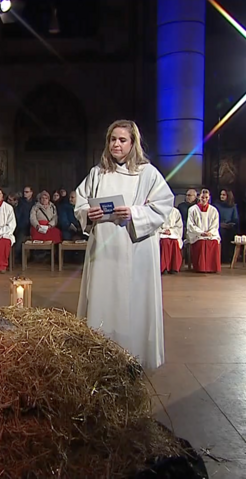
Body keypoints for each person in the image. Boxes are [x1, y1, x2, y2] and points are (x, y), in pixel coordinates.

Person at [75, 119, 174, 370]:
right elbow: (81, 201)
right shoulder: (98, 173)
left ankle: (134, 356)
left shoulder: (147, 173)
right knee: (102, 298)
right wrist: (88, 214)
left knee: (133, 302)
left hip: (135, 247)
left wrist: (133, 213)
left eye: (122, 140)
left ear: (133, 143)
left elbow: (163, 205)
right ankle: (100, 355)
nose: (116, 144)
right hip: (104, 250)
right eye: (112, 139)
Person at [187, 189, 221, 273]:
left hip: (210, 234)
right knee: (201, 242)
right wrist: (201, 232)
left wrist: (210, 232)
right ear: (199, 197)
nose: (204, 199)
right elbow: (191, 225)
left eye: (206, 197)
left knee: (213, 242)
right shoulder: (192, 209)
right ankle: (200, 267)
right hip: (197, 234)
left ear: (209, 198)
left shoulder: (213, 210)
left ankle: (212, 268)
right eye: (202, 197)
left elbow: (215, 224)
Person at [215, 189, 239, 262]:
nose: (221, 196)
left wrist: (229, 225)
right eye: (221, 194)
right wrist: (219, 224)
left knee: (231, 233)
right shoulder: (216, 205)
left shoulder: (233, 206)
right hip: (218, 226)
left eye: (224, 195)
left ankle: (229, 256)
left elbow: (235, 219)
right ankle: (220, 257)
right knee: (222, 233)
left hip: (229, 226)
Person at [159, 207, 183, 274]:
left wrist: (171, 231)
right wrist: (163, 231)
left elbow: (179, 226)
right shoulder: (158, 210)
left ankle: (174, 267)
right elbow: (155, 224)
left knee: (174, 242)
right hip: (161, 233)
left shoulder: (175, 211)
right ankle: (164, 267)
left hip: (172, 232)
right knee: (164, 242)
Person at [14, 186, 35, 260]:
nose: (25, 193)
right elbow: (17, 215)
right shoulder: (20, 202)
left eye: (27, 192)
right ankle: (16, 260)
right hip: (22, 227)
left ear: (31, 193)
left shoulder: (35, 203)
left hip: (33, 227)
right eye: (24, 192)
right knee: (18, 245)